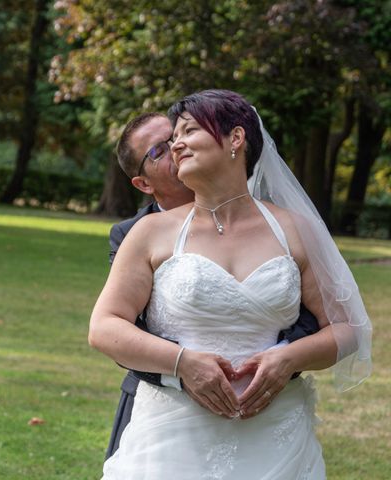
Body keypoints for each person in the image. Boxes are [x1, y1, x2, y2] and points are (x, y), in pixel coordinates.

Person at [90, 89, 372, 478]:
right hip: (172, 437)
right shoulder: (149, 233)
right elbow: (104, 326)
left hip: (276, 437)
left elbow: (347, 328)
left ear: (235, 139)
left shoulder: (294, 229)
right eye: (171, 141)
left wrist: (289, 358)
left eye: (187, 131)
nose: (177, 146)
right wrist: (182, 363)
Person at [105, 112, 320, 459]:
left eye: (179, 134)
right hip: (167, 405)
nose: (177, 146)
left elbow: (316, 316)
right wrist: (183, 371)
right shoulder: (135, 234)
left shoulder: (277, 224)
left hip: (268, 410)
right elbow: (121, 327)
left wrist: (284, 359)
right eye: (159, 149)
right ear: (144, 184)